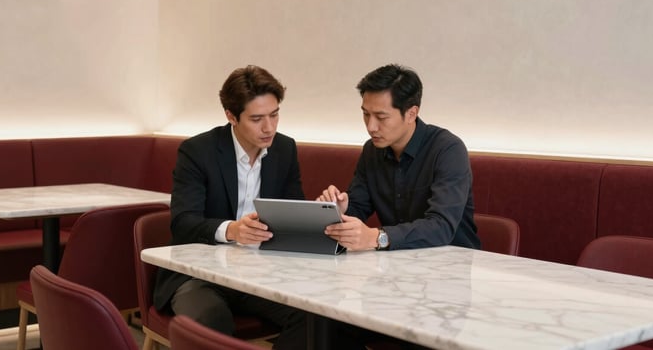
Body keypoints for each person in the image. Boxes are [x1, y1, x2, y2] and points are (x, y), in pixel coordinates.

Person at [153, 65, 307, 349]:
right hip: (200, 275)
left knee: (314, 318)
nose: (269, 127)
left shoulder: (285, 149)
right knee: (211, 320)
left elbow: (291, 214)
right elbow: (183, 222)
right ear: (231, 116)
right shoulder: (198, 151)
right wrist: (232, 230)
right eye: (257, 119)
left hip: (263, 275)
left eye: (274, 115)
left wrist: (324, 212)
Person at [318, 63, 480, 252]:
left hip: (451, 265)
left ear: (411, 113)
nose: (371, 127)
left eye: (381, 117)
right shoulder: (372, 150)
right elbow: (359, 209)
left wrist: (377, 237)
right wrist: (340, 210)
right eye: (366, 114)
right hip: (396, 264)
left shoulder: (448, 150)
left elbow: (441, 227)